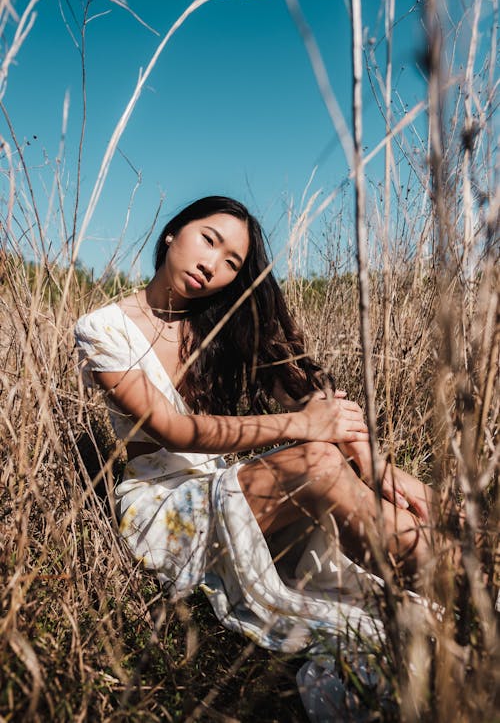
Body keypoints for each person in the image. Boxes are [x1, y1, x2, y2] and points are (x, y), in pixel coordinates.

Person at [74, 195, 434, 656]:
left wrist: (374, 466)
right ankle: (455, 586)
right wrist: (302, 425)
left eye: (230, 263)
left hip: (230, 487)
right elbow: (172, 430)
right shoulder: (102, 328)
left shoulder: (221, 324)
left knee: (423, 503)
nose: (212, 266)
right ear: (173, 233)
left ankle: (466, 586)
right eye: (208, 240)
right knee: (318, 458)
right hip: (163, 511)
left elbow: (309, 394)